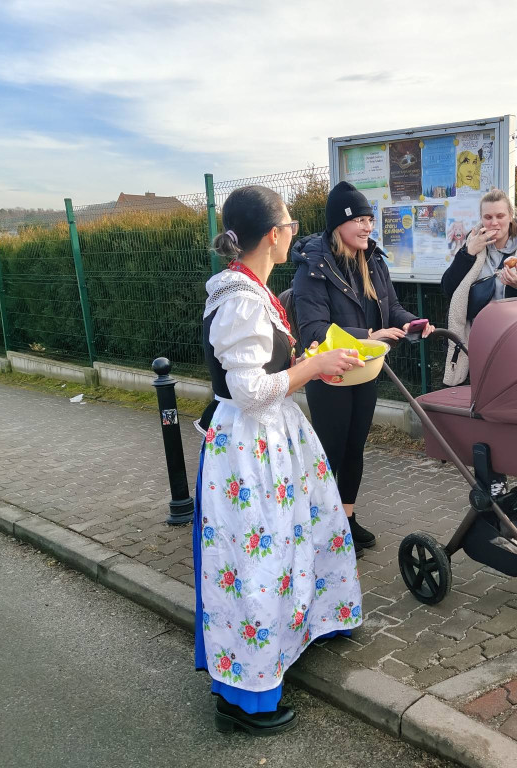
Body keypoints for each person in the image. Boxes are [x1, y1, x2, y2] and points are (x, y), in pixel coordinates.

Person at [195, 184, 366, 736]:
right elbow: (247, 390)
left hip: (269, 438)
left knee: (292, 539)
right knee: (256, 561)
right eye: (290, 224)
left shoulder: (248, 288)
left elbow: (263, 372)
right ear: (273, 235)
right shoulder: (241, 300)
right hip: (250, 447)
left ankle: (297, 634)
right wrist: (312, 369)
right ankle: (244, 699)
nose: (294, 232)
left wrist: (309, 361)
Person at [291, 181, 433, 550]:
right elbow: (314, 330)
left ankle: (347, 520)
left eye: (370, 219)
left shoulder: (373, 261)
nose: (368, 226)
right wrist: (370, 333)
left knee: (355, 448)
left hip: (365, 369)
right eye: (359, 220)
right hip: (330, 375)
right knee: (330, 452)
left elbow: (392, 308)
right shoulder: (313, 268)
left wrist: (412, 322)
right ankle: (320, 527)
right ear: (339, 224)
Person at [441, 188, 517, 386]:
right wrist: (468, 254)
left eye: (500, 216)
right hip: (479, 342)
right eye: (488, 217)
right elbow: (447, 288)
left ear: (511, 216)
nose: (494, 223)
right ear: (481, 219)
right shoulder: (473, 244)